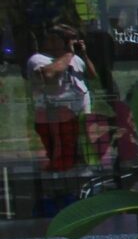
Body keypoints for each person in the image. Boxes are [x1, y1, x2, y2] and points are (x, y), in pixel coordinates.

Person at [25, 23, 90, 174]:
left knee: (78, 154)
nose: (72, 44)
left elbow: (92, 76)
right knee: (59, 156)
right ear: (54, 41)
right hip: (53, 116)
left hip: (76, 114)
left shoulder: (74, 59)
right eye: (69, 40)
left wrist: (83, 55)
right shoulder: (38, 59)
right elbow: (49, 76)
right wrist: (68, 54)